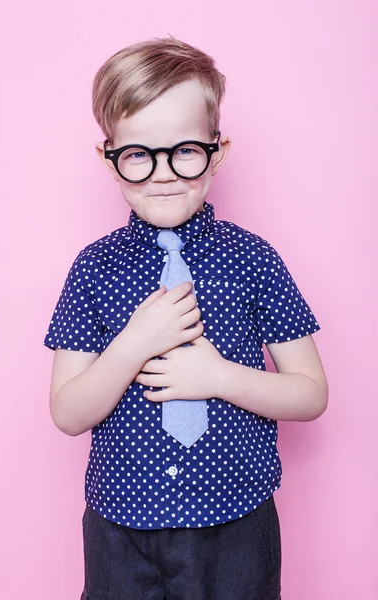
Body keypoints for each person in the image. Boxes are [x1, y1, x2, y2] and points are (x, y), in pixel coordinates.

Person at [43, 38, 328, 600]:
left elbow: (311, 394)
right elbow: (67, 413)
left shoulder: (254, 259)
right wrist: (132, 345)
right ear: (109, 158)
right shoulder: (93, 269)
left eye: (186, 150)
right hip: (121, 526)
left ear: (217, 151)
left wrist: (218, 377)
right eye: (138, 154)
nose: (164, 173)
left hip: (237, 520)